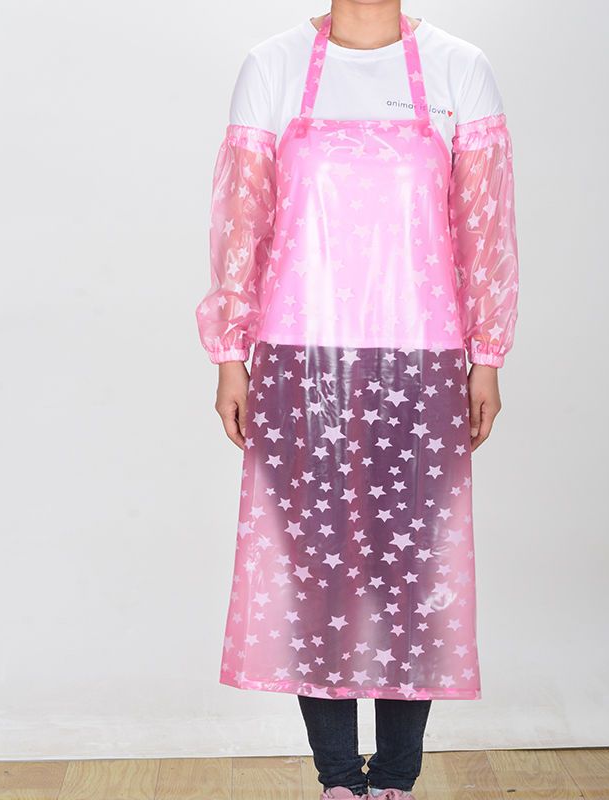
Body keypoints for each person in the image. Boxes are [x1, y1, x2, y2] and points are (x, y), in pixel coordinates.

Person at [194, 2, 519, 798]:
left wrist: (486, 356)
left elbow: (484, 225)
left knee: (412, 574)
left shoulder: (458, 68)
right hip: (298, 356)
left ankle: (397, 780)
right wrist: (231, 354)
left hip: (424, 354)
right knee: (317, 576)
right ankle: (339, 780)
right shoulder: (272, 66)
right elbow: (243, 221)